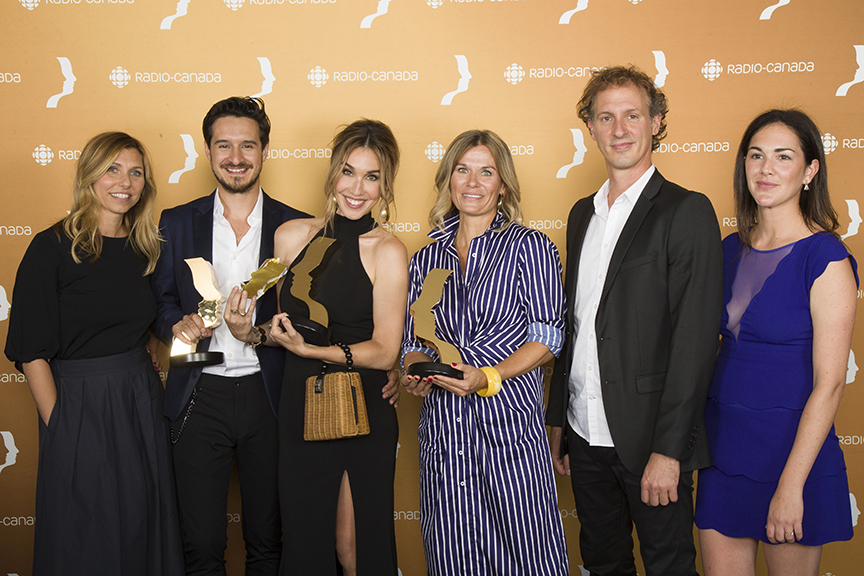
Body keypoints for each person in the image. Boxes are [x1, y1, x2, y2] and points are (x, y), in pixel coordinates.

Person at [544, 65, 723, 576]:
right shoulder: (581, 214)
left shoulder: (686, 211)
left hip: (651, 442)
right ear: (590, 127)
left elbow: (694, 342)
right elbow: (576, 325)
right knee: (603, 563)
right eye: (606, 117)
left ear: (656, 122)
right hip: (584, 434)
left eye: (632, 115)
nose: (619, 129)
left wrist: (669, 451)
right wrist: (560, 424)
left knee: (669, 566)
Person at [5, 131, 184, 576]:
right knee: (85, 529)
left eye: (136, 172)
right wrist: (62, 428)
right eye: (112, 169)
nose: (125, 182)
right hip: (79, 404)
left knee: (141, 520)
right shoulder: (50, 247)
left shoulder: (146, 248)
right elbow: (31, 352)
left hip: (140, 401)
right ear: (89, 175)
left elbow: (145, 325)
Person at [150, 96, 310, 575]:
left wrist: (259, 332)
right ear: (207, 150)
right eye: (224, 145)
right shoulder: (176, 222)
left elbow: (308, 317)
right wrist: (176, 325)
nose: (235, 157)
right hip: (198, 390)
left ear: (265, 151)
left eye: (247, 145)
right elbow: (160, 302)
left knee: (268, 541)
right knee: (200, 546)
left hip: (271, 394)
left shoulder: (296, 226)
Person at [695, 109, 857, 575]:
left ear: (809, 171)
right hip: (724, 453)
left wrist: (791, 485)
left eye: (783, 157)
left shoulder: (825, 257)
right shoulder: (728, 249)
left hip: (792, 458)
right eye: (756, 155)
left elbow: (830, 383)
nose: (766, 169)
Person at [401, 129, 569, 575]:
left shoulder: (530, 247)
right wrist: (415, 371)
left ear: (503, 185)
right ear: (449, 178)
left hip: (509, 434)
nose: (472, 183)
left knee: (531, 557)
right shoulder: (424, 259)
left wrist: (489, 375)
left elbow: (548, 336)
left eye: (486, 172)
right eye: (463, 170)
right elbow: (412, 342)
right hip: (445, 437)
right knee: (452, 558)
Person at [249, 118, 407, 575]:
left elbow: (385, 351)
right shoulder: (290, 236)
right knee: (304, 542)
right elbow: (282, 327)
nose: (357, 188)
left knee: (353, 546)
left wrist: (313, 353)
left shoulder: (388, 250)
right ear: (333, 173)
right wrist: (248, 331)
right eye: (349, 172)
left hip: (362, 409)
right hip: (300, 405)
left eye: (372, 177)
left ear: (385, 185)